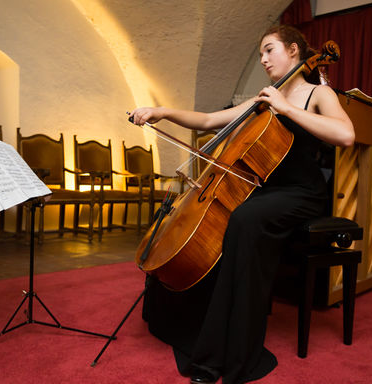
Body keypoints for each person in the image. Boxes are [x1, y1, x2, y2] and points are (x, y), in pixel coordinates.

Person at [129, 25, 354, 384]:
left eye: (269, 50)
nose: (263, 59)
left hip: (303, 194)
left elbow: (345, 135)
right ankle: (196, 331)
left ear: (294, 50)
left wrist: (286, 109)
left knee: (245, 221)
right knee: (223, 223)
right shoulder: (264, 97)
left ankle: (230, 355)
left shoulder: (318, 94)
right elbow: (206, 121)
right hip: (265, 191)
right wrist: (162, 111)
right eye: (261, 53)